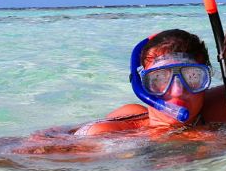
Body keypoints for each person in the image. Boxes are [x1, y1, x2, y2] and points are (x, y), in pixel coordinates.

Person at [79, 29, 213, 137]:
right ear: (141, 84)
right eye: (160, 78)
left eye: (192, 77)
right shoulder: (108, 136)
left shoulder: (214, 113)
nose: (177, 91)